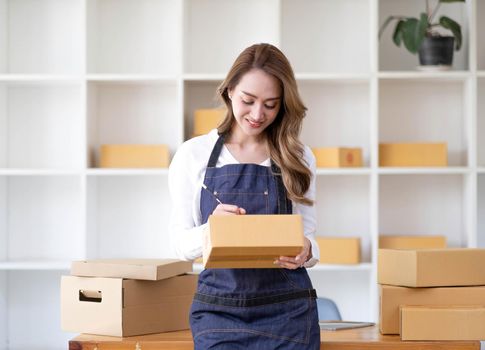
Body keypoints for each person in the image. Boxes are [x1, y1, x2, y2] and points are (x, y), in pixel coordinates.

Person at [168, 43, 320, 349]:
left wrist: (306, 250)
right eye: (248, 100)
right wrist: (213, 230)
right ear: (229, 92)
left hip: (287, 309)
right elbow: (180, 246)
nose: (257, 114)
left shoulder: (297, 156)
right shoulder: (192, 155)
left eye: (270, 104)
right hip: (219, 312)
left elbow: (310, 239)